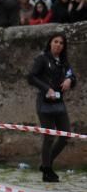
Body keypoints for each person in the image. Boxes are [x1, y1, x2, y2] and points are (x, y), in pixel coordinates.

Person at [27, 34, 77, 182]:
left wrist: (70, 80)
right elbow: (31, 77)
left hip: (59, 102)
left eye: (61, 43)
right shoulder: (42, 59)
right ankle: (47, 170)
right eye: (55, 41)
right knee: (49, 137)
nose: (58, 45)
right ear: (50, 43)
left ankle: (45, 164)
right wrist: (46, 88)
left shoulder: (64, 62)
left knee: (65, 135)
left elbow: (72, 77)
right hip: (44, 102)